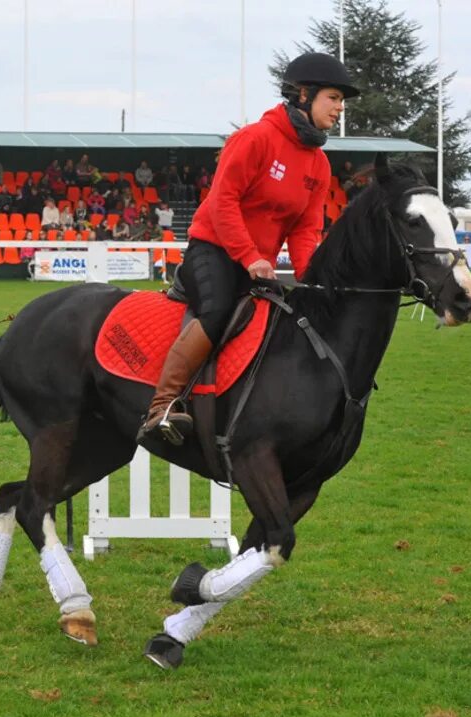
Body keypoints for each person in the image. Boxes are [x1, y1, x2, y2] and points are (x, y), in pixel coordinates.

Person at [137, 51, 359, 446]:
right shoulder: (254, 138)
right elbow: (222, 203)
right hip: (214, 250)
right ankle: (163, 405)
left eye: (341, 101)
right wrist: (250, 256)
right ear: (304, 95)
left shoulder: (319, 165)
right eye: (334, 98)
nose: (340, 108)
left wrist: (313, 280)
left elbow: (306, 231)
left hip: (258, 265)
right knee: (219, 309)